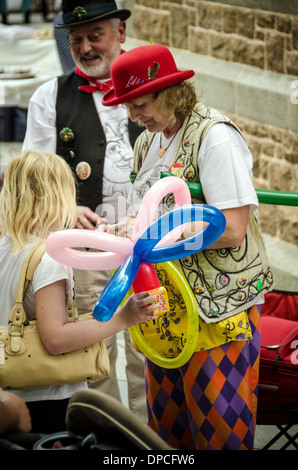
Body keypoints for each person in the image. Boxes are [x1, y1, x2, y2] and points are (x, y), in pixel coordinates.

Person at [100, 44, 274, 450]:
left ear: (170, 92)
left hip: (218, 309)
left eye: (139, 103)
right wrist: (124, 228)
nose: (133, 116)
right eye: (126, 106)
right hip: (166, 308)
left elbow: (232, 229)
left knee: (219, 428)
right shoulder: (148, 140)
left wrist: (161, 235)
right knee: (166, 431)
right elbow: (147, 210)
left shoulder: (215, 138)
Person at [22, 0, 147, 421]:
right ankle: (112, 440)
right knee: (97, 359)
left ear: (121, 35)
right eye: (77, 40)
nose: (87, 48)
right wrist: (67, 206)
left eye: (96, 36)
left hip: (150, 245)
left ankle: (153, 441)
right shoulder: (49, 96)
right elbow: (34, 177)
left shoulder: (152, 84)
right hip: (89, 253)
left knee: (152, 355)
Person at [0, 150, 161, 434]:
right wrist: (125, 317)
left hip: (11, 389)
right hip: (47, 396)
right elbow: (57, 339)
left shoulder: (5, 248)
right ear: (57, 198)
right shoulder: (48, 259)